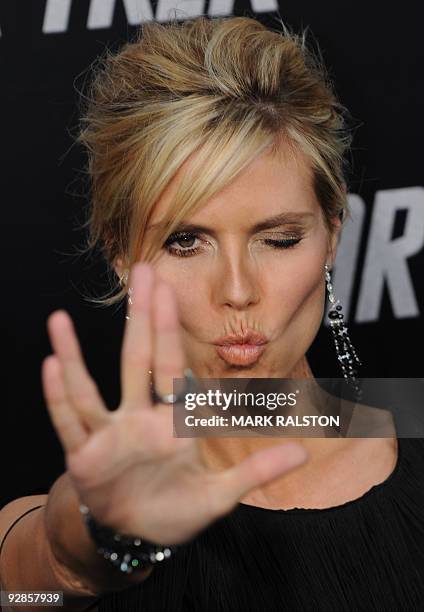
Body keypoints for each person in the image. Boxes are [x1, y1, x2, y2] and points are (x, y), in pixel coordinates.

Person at [1, 15, 423, 612]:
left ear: (331, 236)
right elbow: (29, 587)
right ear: (122, 256)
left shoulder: (415, 423)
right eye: (185, 241)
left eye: (277, 239)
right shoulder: (78, 513)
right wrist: (103, 534)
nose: (237, 289)